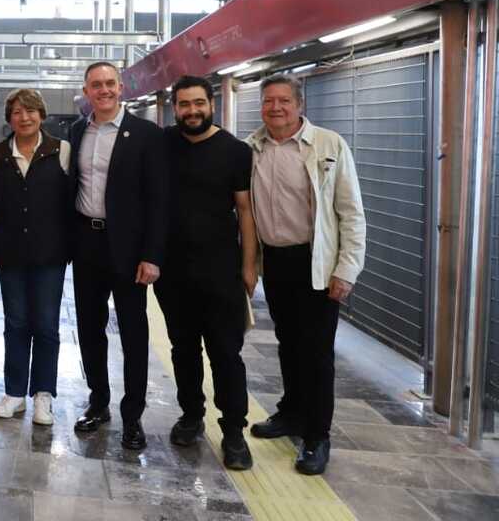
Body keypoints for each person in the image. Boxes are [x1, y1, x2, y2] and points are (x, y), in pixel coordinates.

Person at [246, 74, 365, 476]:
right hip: (276, 262)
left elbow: (351, 212)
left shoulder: (328, 145)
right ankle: (292, 413)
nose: (275, 108)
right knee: (288, 343)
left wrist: (346, 270)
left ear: (300, 105)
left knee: (317, 353)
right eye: (268, 101)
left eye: (283, 101)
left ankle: (317, 434)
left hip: (316, 262)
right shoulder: (252, 147)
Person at [156, 75, 255, 470]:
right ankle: (192, 415)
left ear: (210, 103)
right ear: (174, 107)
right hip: (174, 273)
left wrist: (249, 265)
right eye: (184, 104)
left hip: (221, 270)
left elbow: (245, 211)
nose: (192, 111)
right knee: (183, 349)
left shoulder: (234, 151)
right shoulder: (163, 145)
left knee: (226, 354)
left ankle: (234, 432)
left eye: (198, 103)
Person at [68, 61, 166, 450]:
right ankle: (98, 402)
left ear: (120, 87)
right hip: (86, 244)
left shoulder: (145, 134)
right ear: (86, 90)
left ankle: (133, 414)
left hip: (128, 250)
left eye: (110, 83)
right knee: (89, 329)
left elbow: (159, 201)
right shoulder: (77, 131)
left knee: (133, 332)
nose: (104, 90)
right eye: (96, 85)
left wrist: (152, 255)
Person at [0, 88, 72, 427]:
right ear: (9, 118)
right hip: (11, 254)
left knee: (47, 326)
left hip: (50, 253)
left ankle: (43, 396)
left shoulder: (60, 150)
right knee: (16, 323)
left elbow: (70, 197)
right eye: (18, 112)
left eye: (31, 111)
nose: (25, 117)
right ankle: (15, 393)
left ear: (42, 115)